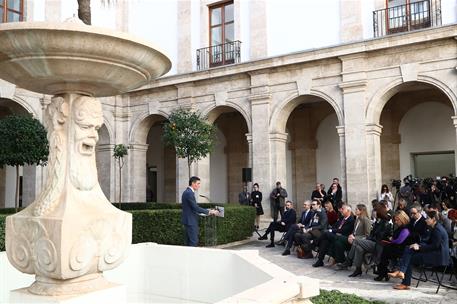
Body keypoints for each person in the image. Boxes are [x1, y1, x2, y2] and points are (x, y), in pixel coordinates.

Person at [388, 210, 450, 290]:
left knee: (409, 258)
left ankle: (403, 279)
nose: (425, 219)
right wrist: (417, 245)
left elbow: (435, 246)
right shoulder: (434, 227)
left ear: (433, 219)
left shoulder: (437, 230)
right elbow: (428, 242)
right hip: (433, 252)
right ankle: (401, 272)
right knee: (408, 248)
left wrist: (419, 247)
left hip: (438, 256)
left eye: (427, 218)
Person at [337, 204, 393, 277]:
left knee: (355, 241)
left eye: (375, 211)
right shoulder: (377, 221)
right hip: (370, 241)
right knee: (358, 248)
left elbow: (377, 236)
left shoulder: (385, 222)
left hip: (378, 244)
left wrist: (356, 238)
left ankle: (348, 261)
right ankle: (358, 269)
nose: (373, 213)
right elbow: (371, 235)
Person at [181, 176, 218, 246]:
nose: (199, 186)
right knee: (193, 242)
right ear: (193, 183)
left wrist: (207, 210)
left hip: (188, 220)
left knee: (188, 242)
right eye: (198, 183)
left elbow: (192, 208)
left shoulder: (187, 192)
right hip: (190, 221)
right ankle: (192, 257)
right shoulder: (189, 193)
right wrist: (210, 212)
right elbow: (195, 208)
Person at [374, 210, 410, 281]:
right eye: (395, 220)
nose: (396, 222)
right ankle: (383, 272)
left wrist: (391, 240)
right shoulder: (400, 227)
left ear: (402, 219)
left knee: (383, 251)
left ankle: (382, 272)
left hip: (400, 249)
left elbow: (399, 241)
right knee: (382, 248)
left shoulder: (406, 228)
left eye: (397, 220)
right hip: (394, 246)